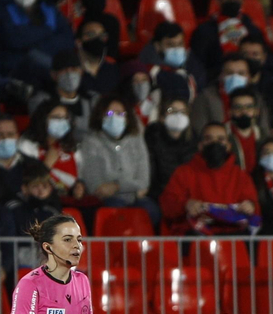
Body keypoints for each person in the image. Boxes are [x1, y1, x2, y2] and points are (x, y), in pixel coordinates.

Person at [158, 121, 257, 235]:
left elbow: (254, 206)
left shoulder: (241, 176)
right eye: (209, 139)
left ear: (229, 146)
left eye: (220, 139)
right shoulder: (184, 172)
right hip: (195, 234)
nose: (215, 143)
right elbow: (167, 205)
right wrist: (185, 205)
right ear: (200, 145)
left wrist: (250, 206)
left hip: (233, 234)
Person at [79, 95, 155, 228]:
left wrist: (116, 186)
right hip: (107, 201)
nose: (115, 117)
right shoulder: (90, 142)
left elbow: (144, 181)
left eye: (120, 114)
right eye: (109, 113)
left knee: (151, 210)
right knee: (115, 208)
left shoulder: (136, 140)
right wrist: (132, 187)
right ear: (100, 115)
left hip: (135, 200)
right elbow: (96, 187)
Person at [145, 96, 197, 201]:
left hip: (186, 197)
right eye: (171, 110)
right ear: (162, 116)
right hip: (158, 195)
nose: (178, 115)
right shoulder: (152, 137)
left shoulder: (194, 140)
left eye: (183, 112)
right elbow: (151, 175)